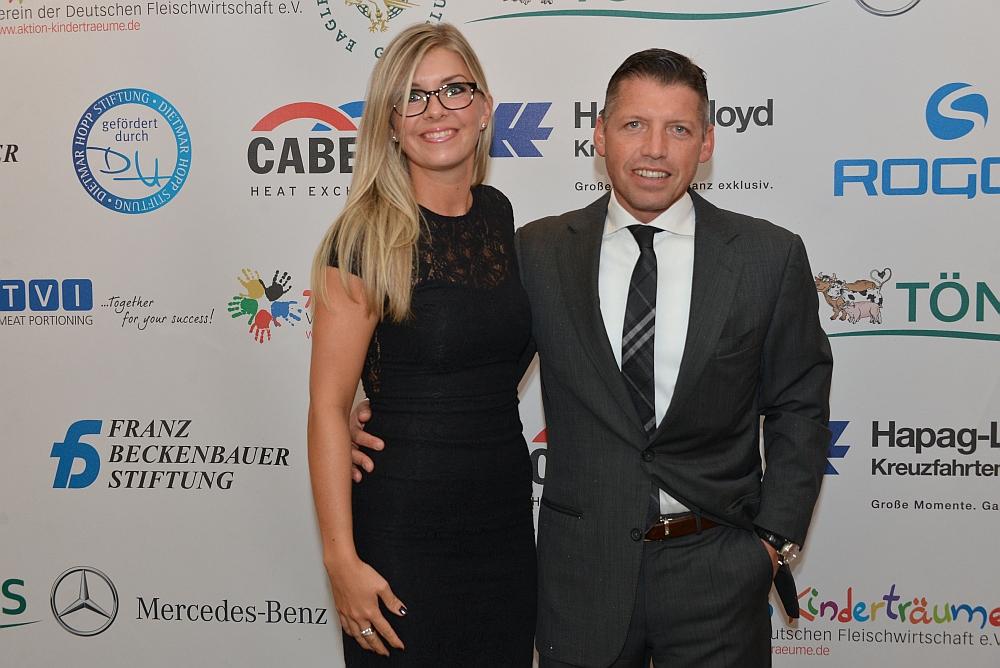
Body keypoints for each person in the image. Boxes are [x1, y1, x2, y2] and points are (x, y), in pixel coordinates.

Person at [353, 48, 832, 667]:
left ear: (707, 142)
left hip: (719, 573)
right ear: (599, 136)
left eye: (678, 129)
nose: (654, 149)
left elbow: (799, 405)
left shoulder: (769, 256)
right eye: (634, 125)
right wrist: (375, 411)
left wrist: (771, 542)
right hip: (579, 578)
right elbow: (472, 364)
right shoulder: (538, 251)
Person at [307, 23, 536, 667]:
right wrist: (340, 562)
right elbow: (328, 407)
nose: (436, 110)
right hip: (403, 533)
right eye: (412, 96)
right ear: (389, 123)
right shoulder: (362, 237)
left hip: (503, 526)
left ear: (484, 108)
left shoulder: (498, 215)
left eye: (454, 90)